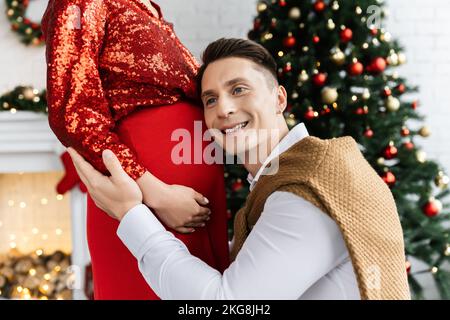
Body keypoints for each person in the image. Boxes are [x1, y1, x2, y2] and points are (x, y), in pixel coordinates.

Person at [68, 38, 411, 299]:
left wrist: (130, 214)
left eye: (239, 90)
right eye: (211, 99)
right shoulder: (289, 179)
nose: (224, 109)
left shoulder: (310, 189)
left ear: (279, 99)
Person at [41, 0, 229, 299]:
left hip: (190, 205)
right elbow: (74, 110)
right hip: (146, 202)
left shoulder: (146, 6)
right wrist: (155, 194)